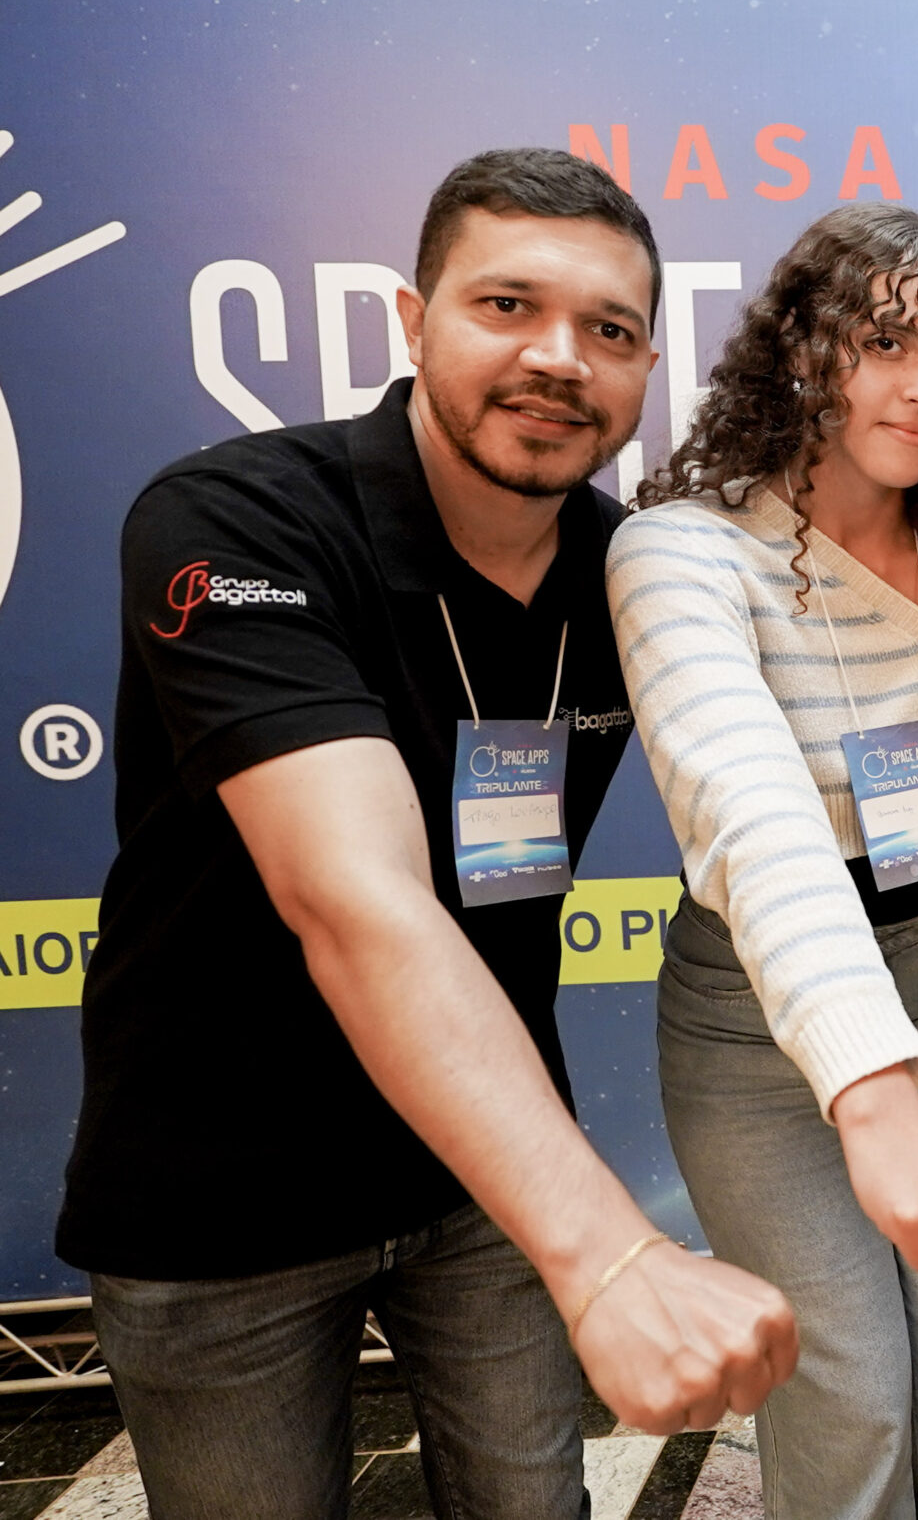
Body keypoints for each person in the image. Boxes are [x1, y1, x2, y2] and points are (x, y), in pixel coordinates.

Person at [58, 148, 798, 1519]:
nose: (559, 357)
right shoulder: (235, 518)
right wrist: (611, 1253)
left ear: (646, 368)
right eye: (507, 305)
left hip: (487, 1173)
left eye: (610, 329)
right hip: (223, 1191)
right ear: (413, 321)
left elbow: (775, 805)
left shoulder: (634, 570)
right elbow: (358, 900)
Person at [608, 203, 918, 1520]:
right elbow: (749, 814)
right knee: (849, 1395)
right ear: (802, 348)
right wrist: (875, 1092)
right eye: (885, 344)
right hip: (760, 1026)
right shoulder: (682, 551)